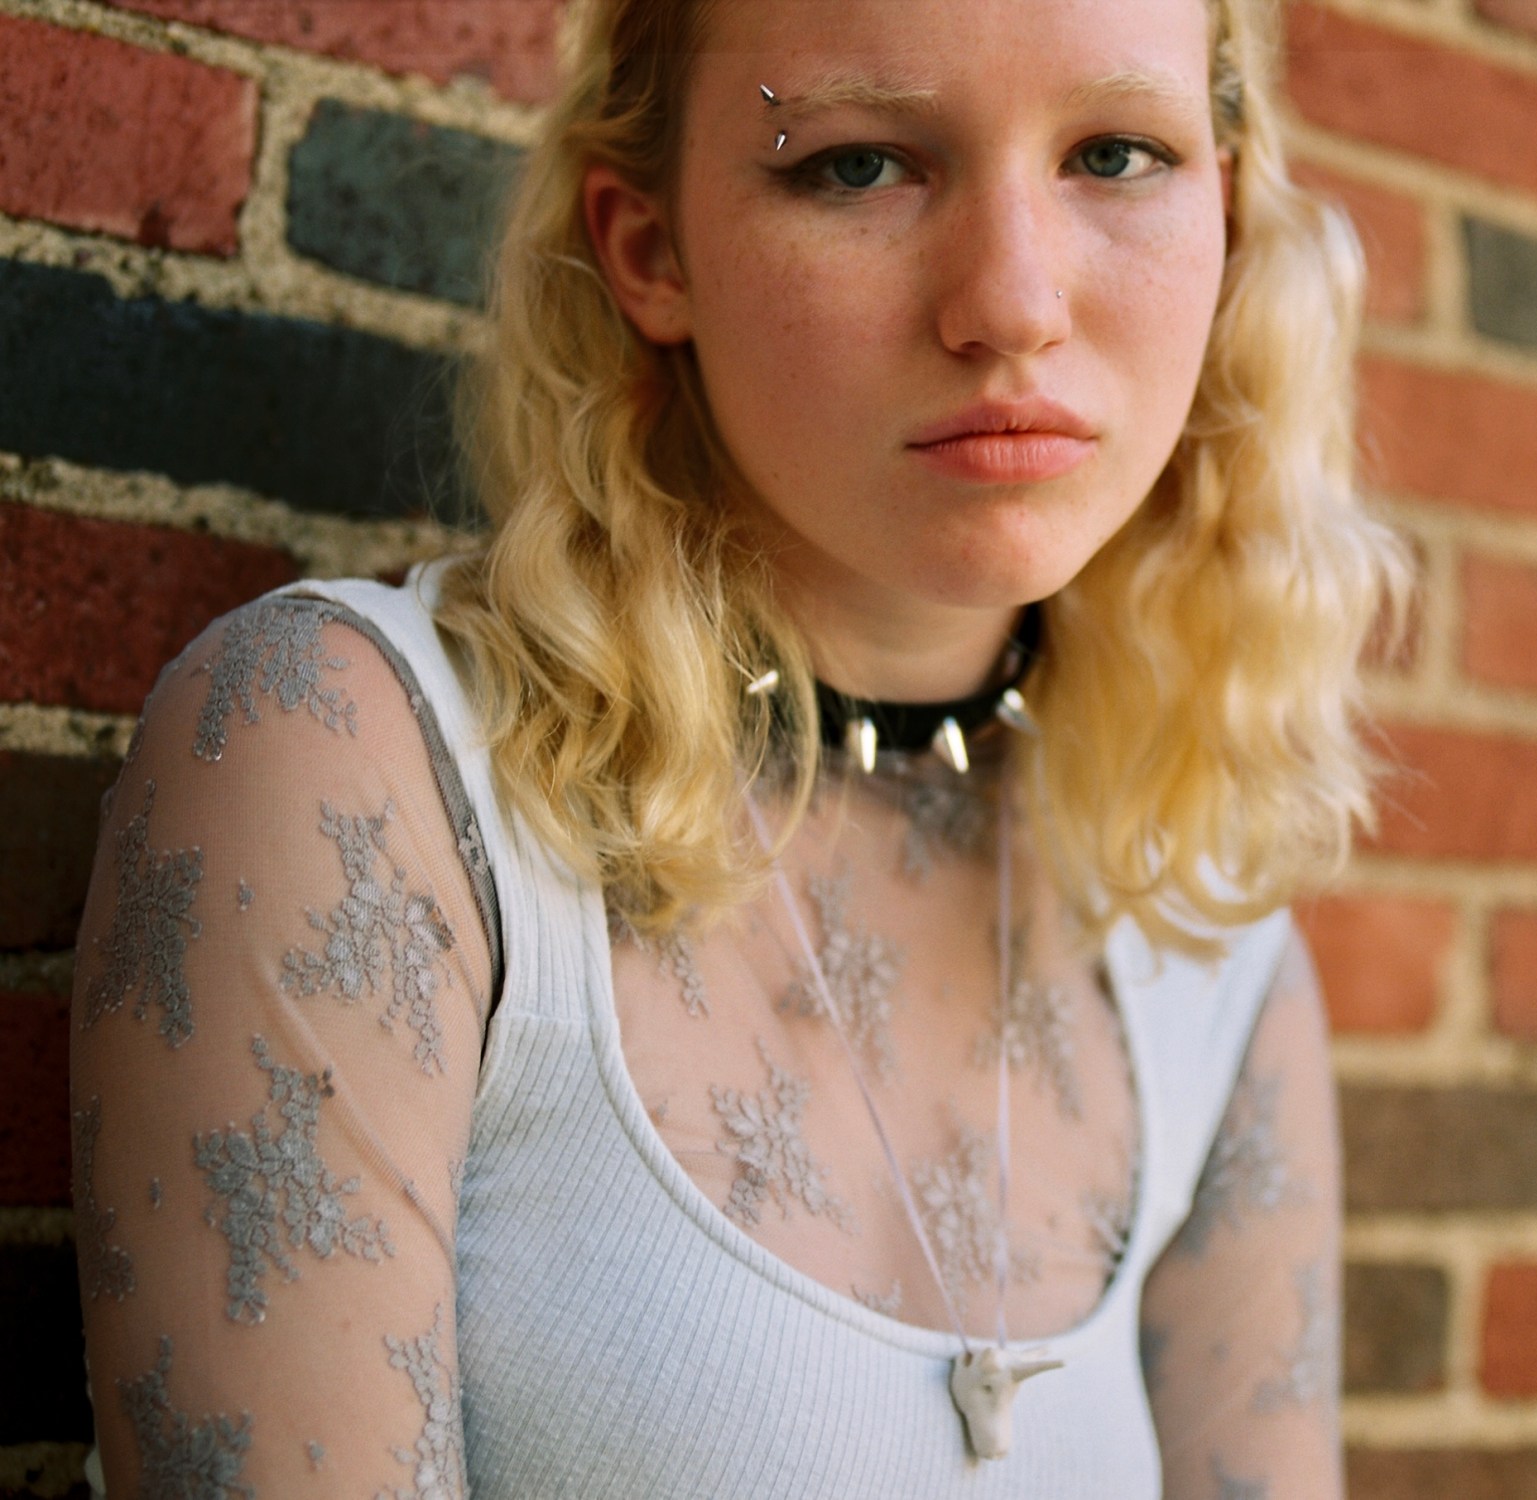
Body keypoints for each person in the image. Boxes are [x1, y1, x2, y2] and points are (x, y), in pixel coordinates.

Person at [68, 0, 1405, 1493]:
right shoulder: (356, 771)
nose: (1014, 302)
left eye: (1115, 151)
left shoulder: (1205, 945)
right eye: (856, 167)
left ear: (1223, 203)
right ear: (650, 251)